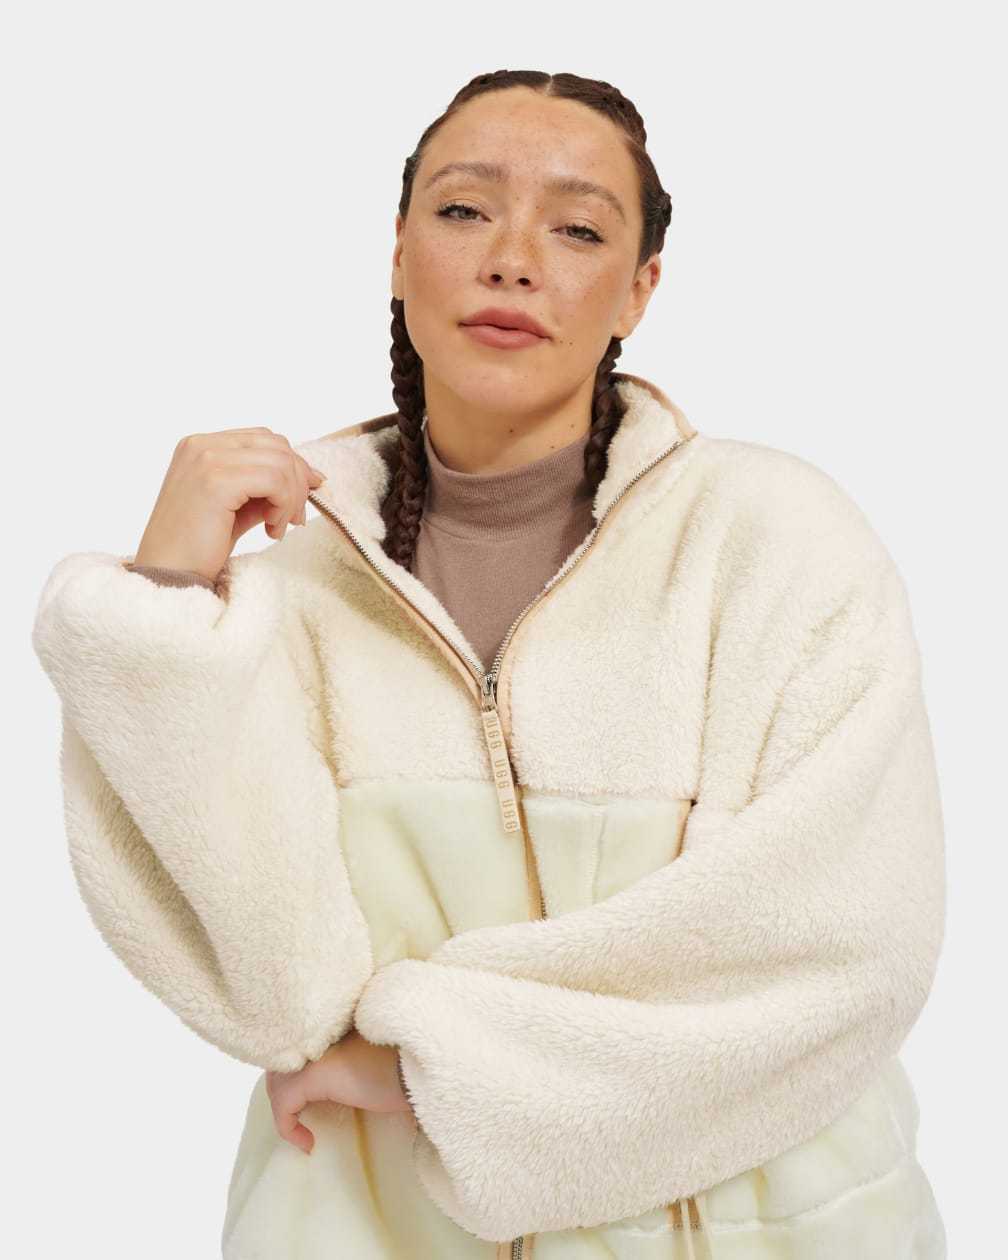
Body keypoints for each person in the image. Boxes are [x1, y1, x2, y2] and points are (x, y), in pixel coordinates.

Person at [31, 70, 947, 1260]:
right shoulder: (286, 578)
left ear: (640, 290)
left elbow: (839, 955)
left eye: (578, 230)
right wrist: (163, 609)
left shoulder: (776, 544)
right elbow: (268, 993)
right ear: (398, 253)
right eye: (465, 211)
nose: (513, 260)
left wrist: (430, 1065)